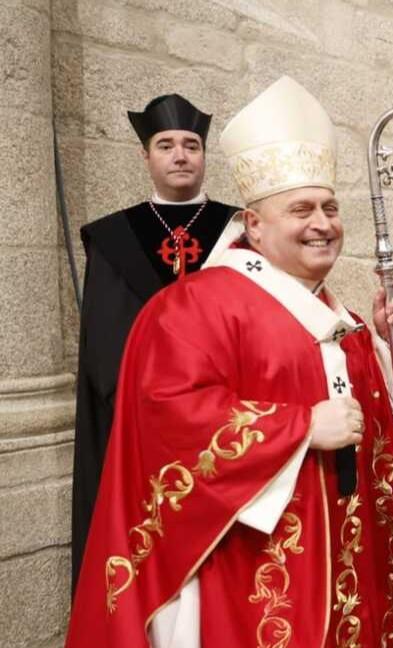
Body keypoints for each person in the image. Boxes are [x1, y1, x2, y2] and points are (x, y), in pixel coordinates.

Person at [61, 76, 393, 648]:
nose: (323, 223)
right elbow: (167, 414)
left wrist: (385, 343)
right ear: (254, 226)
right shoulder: (192, 307)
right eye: (301, 210)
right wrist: (301, 427)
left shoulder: (340, 314)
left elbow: (370, 406)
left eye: (330, 208)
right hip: (251, 566)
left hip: (343, 554)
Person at [71, 94, 239, 587]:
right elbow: (104, 343)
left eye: (191, 145)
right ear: (145, 156)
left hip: (225, 423)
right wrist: (157, 408)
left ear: (204, 155)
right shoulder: (113, 238)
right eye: (166, 145)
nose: (180, 155)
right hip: (143, 426)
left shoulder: (241, 231)